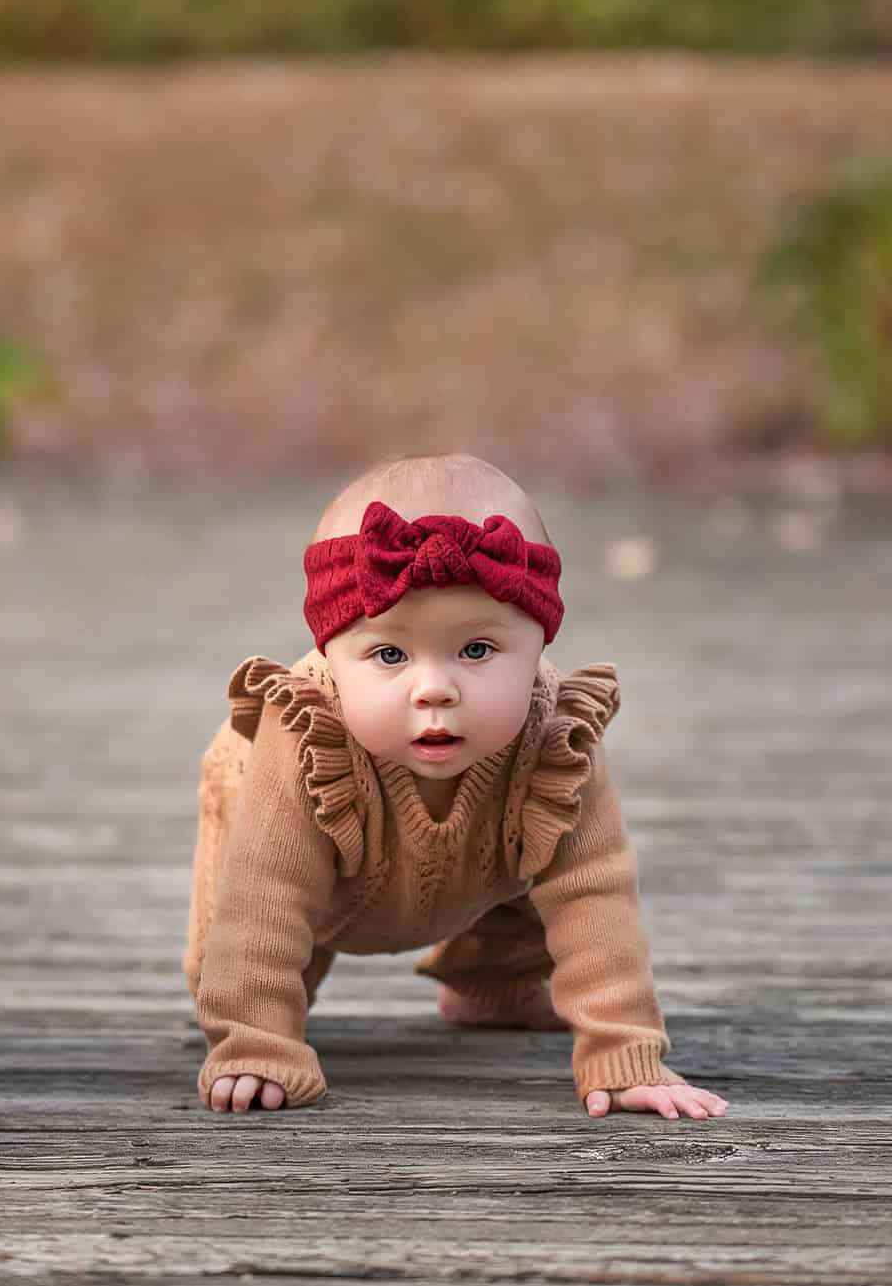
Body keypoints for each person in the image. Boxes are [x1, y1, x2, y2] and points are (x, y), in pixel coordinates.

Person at [186, 454, 728, 1121]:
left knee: (546, 846)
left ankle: (491, 984)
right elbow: (264, 893)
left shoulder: (553, 731)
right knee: (240, 960)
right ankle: (251, 1027)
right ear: (331, 653)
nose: (435, 686)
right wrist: (255, 1041)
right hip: (308, 874)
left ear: (537, 648)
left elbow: (595, 891)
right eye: (390, 654)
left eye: (476, 649)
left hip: (469, 867)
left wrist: (626, 1053)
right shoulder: (302, 734)